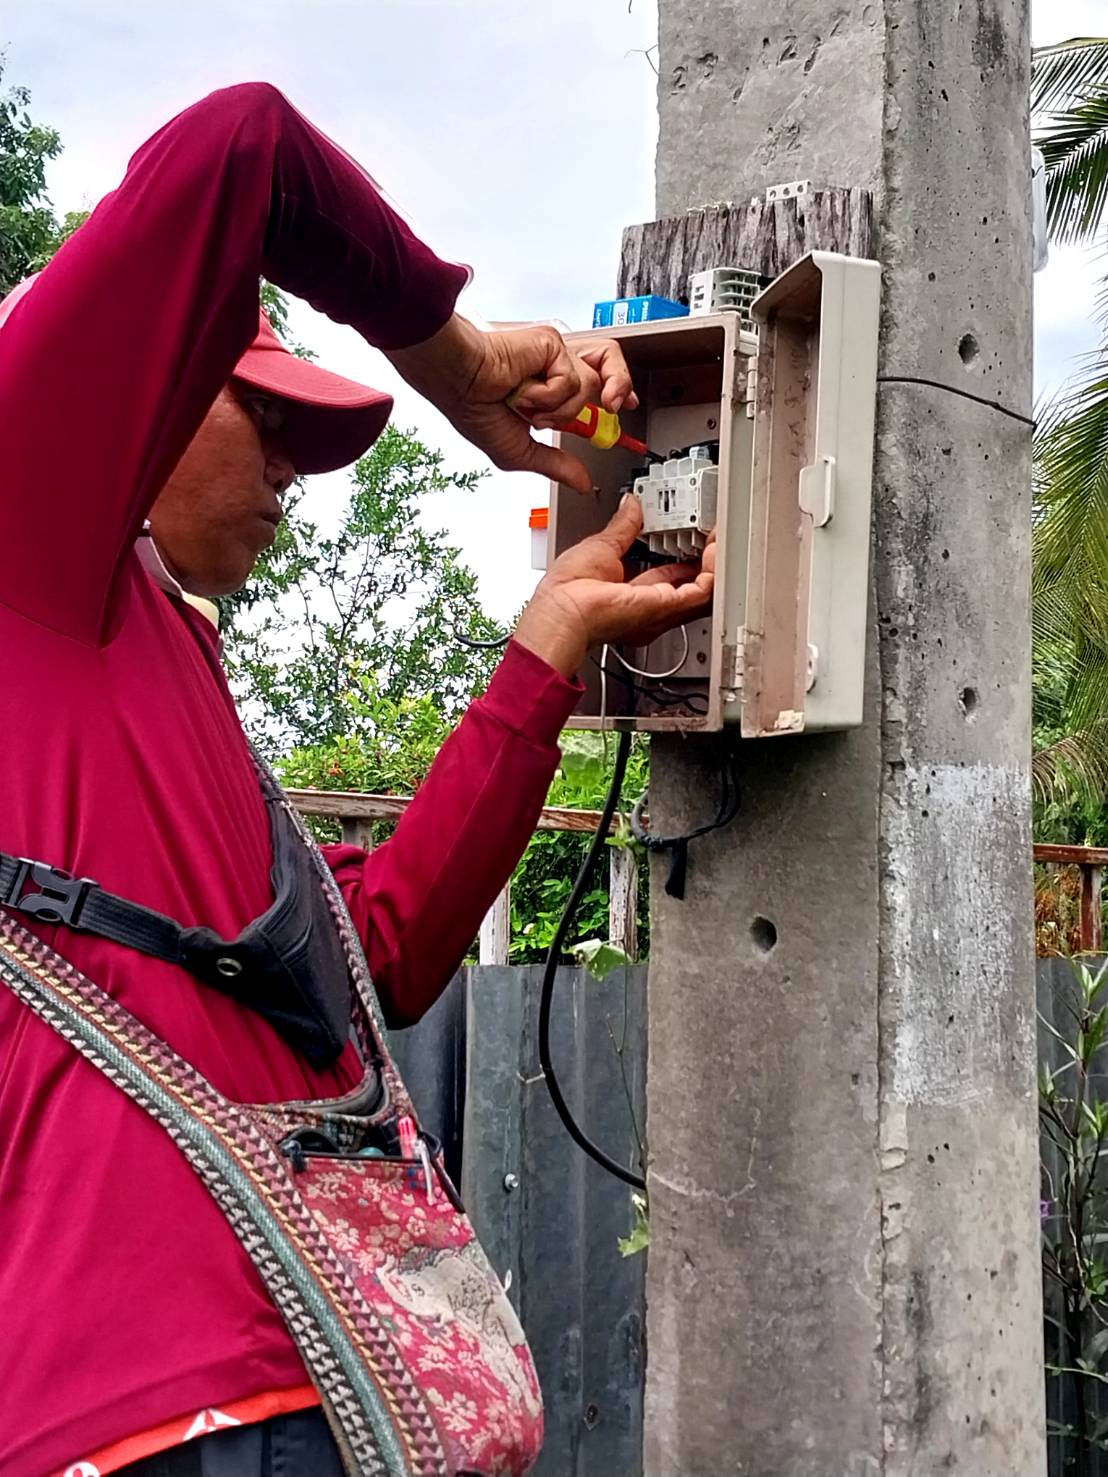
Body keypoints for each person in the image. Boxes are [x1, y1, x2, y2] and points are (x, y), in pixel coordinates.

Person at [0, 83, 713, 1477]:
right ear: (132, 391)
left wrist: (546, 650)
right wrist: (454, 358)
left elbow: (373, 959)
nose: (286, 471)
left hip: (298, 1387)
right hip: (166, 1412)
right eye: (256, 414)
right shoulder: (27, 543)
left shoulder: (148, 678)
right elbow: (241, 150)